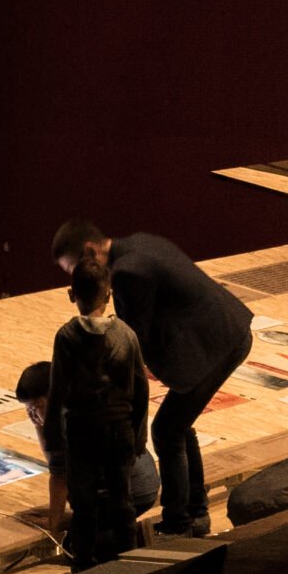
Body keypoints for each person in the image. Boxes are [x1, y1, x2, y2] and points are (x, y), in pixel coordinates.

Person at [52, 219, 253, 537]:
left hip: (216, 344)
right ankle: (196, 513)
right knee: (178, 427)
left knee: (166, 431)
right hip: (221, 331)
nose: (78, 279)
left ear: (91, 250)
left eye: (76, 269)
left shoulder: (129, 272)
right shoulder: (138, 241)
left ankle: (179, 524)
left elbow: (135, 340)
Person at [45, 253, 153, 566]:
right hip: (119, 432)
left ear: (71, 295)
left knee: (84, 506)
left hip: (81, 435)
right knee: (123, 502)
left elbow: (57, 392)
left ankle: (83, 569)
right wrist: (139, 436)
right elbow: (141, 390)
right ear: (108, 295)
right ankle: (129, 566)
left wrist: (54, 440)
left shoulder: (66, 337)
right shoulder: (126, 335)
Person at [14, 359, 160, 532]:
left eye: (37, 407)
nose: (32, 414)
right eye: (28, 410)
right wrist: (40, 424)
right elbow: (54, 459)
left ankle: (93, 524)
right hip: (143, 484)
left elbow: (60, 477)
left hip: (132, 494)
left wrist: (54, 522)